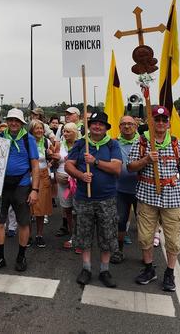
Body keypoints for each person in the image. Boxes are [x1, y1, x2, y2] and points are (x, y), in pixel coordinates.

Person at [127, 105, 180, 292]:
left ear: (169, 122)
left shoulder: (176, 143)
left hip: (171, 199)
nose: (161, 123)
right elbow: (130, 167)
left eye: (164, 120)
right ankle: (149, 269)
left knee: (172, 239)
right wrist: (146, 160)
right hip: (147, 198)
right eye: (157, 119)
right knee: (145, 237)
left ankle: (170, 273)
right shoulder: (141, 142)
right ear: (151, 122)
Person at [65, 111, 122, 288]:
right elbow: (68, 165)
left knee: (106, 235)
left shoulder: (113, 144)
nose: (97, 126)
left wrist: (95, 161)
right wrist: (81, 175)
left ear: (106, 127)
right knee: (84, 234)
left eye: (101, 124)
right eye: (94, 123)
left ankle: (105, 270)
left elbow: (116, 168)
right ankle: (86, 268)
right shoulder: (81, 143)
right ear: (89, 126)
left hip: (107, 198)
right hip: (84, 199)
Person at [0, 108, 40, 273]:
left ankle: (21, 256)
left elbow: (35, 166)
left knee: (23, 222)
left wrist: (35, 190)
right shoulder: (1, 138)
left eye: (16, 120)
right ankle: (0, 256)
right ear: (7, 121)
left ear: (22, 123)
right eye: (10, 120)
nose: (13, 123)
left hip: (22, 185)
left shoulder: (28, 139)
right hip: (1, 185)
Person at [110, 116, 139, 264]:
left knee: (144, 225)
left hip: (141, 190)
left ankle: (146, 257)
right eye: (124, 124)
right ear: (119, 127)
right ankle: (118, 251)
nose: (127, 126)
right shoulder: (113, 143)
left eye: (130, 124)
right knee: (120, 221)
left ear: (136, 126)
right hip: (120, 189)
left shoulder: (144, 142)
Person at [55, 122, 79, 251]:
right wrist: (53, 156)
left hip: (76, 183)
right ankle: (72, 234)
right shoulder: (59, 144)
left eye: (68, 131)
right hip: (63, 183)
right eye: (64, 131)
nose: (65, 134)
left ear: (75, 133)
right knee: (67, 209)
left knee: (77, 211)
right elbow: (53, 160)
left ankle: (78, 236)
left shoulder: (80, 145)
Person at [30, 119, 53, 248]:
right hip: (29, 174)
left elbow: (55, 156)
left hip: (43, 174)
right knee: (27, 207)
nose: (39, 131)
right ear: (31, 130)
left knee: (41, 207)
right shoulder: (27, 141)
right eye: (36, 128)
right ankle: (27, 235)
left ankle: (39, 235)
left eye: (41, 128)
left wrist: (51, 160)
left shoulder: (46, 141)